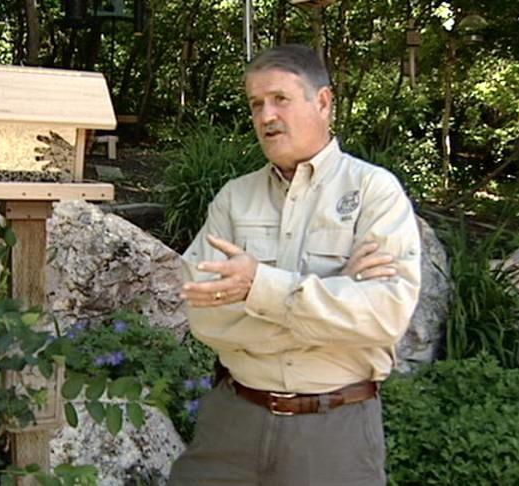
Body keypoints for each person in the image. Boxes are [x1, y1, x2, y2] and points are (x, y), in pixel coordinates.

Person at [168, 44, 422, 486]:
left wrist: (257, 289)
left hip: (333, 433)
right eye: (256, 104)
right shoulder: (234, 198)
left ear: (322, 102)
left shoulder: (373, 192)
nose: (266, 116)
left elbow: (383, 315)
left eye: (280, 99)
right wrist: (334, 289)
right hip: (232, 423)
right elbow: (204, 317)